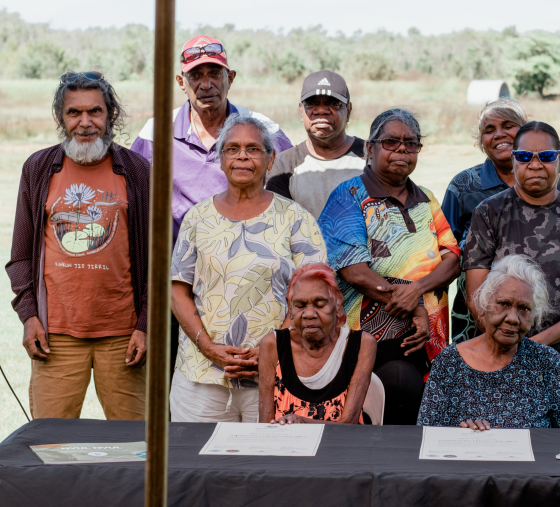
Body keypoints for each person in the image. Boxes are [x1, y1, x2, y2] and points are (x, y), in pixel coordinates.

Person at [131, 35, 293, 376]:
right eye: (196, 76)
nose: (206, 84)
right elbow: (132, 197)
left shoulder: (263, 130)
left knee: (246, 370)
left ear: (230, 78)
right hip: (178, 279)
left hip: (247, 277)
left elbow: (287, 196)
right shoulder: (154, 133)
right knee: (173, 376)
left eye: (214, 74)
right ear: (181, 82)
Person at [6, 71, 149, 420]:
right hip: (55, 336)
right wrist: (29, 317)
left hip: (123, 336)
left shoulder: (137, 171)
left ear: (110, 115)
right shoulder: (39, 169)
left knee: (134, 445)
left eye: (95, 112)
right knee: (49, 441)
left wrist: (145, 325)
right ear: (61, 117)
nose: (85, 123)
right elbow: (21, 257)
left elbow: (159, 261)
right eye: (74, 113)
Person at [169, 115, 326, 423]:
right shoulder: (197, 218)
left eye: (253, 149)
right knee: (198, 468)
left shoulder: (296, 219)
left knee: (268, 466)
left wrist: (270, 350)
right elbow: (178, 290)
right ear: (220, 157)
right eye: (232, 148)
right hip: (201, 377)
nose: (242, 156)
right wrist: (208, 347)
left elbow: (315, 295)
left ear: (270, 159)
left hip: (278, 374)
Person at [319, 109, 461, 425]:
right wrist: (414, 309)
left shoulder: (427, 199)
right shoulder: (350, 195)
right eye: (391, 142)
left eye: (411, 144)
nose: (401, 150)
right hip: (370, 339)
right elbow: (353, 270)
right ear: (370, 149)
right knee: (382, 414)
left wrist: (418, 292)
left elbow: (452, 258)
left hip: (427, 340)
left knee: (420, 421)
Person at [463, 121, 560, 405]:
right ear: (514, 161)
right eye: (525, 157)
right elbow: (476, 296)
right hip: (500, 359)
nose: (536, 164)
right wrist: (509, 344)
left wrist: (536, 346)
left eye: (547, 156)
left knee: (559, 446)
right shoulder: (489, 213)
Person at [442, 99, 560, 344]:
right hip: (477, 317)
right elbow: (445, 250)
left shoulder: (553, 181)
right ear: (481, 140)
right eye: (489, 130)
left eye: (508, 125)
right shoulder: (464, 187)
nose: (498, 134)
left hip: (544, 315)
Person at [417, 255, 560, 429]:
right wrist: (463, 437)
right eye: (503, 304)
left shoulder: (546, 361)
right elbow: (427, 434)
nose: (513, 318)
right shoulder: (449, 362)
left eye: (524, 308)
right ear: (484, 304)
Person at [259, 263, 377, 424]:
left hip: (339, 447)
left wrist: (301, 422)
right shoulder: (273, 344)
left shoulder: (361, 344)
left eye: (320, 304)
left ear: (337, 305)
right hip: (286, 448)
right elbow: (265, 425)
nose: (309, 314)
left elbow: (348, 424)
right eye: (300, 306)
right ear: (290, 308)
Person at [266, 70, 366, 220]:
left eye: (333, 103)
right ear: (301, 110)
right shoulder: (283, 165)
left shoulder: (372, 157)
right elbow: (281, 227)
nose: (321, 110)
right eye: (312, 103)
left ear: (348, 110)